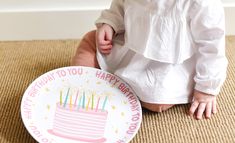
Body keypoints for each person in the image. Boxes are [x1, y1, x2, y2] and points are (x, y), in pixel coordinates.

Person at [71, 0, 228, 120]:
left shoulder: (202, 3)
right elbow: (121, 5)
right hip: (130, 45)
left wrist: (206, 89)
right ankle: (81, 86)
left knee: (155, 99)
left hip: (165, 66)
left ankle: (118, 90)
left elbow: (212, 45)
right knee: (90, 40)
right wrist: (110, 24)